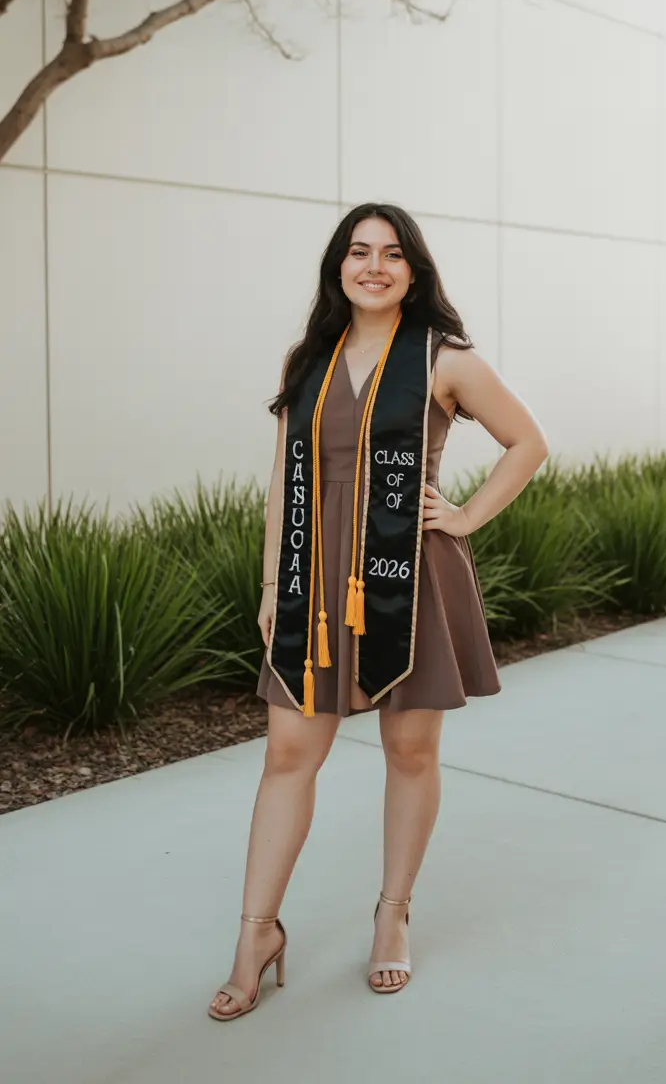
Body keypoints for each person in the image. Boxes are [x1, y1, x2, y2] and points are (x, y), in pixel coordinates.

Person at [208, 203, 548, 1020]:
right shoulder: (309, 358)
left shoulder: (444, 359)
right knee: (289, 750)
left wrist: (463, 516)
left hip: (408, 576)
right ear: (338, 268)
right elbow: (283, 482)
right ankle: (257, 932)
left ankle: (392, 913)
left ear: (413, 271)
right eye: (358, 253)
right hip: (316, 580)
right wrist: (270, 585)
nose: (373, 266)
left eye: (391, 255)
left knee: (409, 749)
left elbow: (528, 442)